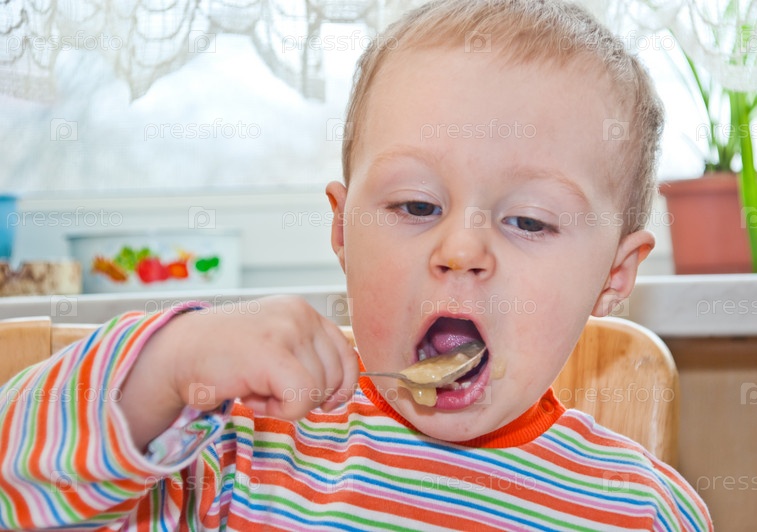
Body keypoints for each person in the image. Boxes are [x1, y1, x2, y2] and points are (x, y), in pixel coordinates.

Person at [0, 0, 713, 529]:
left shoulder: (642, 511)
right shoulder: (232, 452)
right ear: (342, 229)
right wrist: (166, 365)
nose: (461, 251)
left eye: (528, 220)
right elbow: (20, 495)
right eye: (415, 205)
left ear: (614, 277)